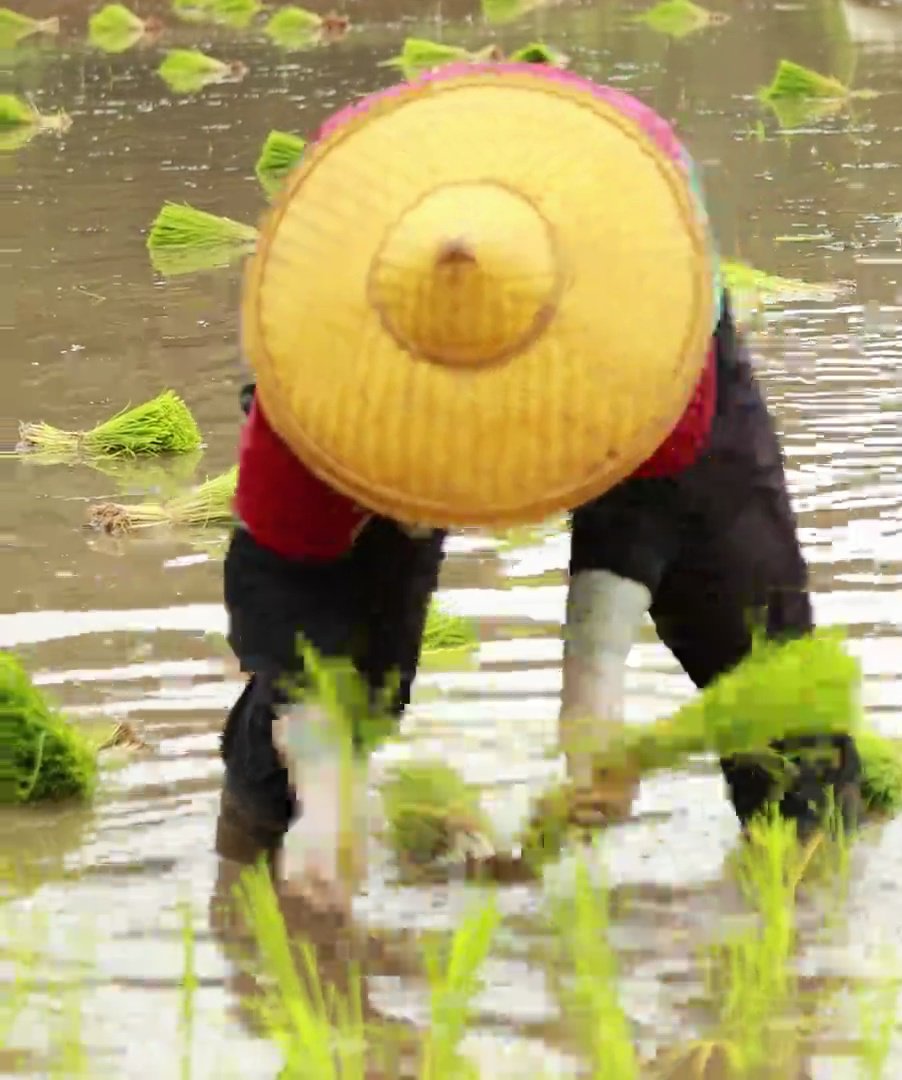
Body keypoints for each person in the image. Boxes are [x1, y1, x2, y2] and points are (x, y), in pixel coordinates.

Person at [216, 62, 861, 914]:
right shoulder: (316, 386)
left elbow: (651, 504)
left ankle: (811, 910)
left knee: (752, 636)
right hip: (363, 272)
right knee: (344, 672)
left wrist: (592, 697)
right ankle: (267, 885)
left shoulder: (651, 331)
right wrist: (327, 795)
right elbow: (292, 603)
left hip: (618, 283)